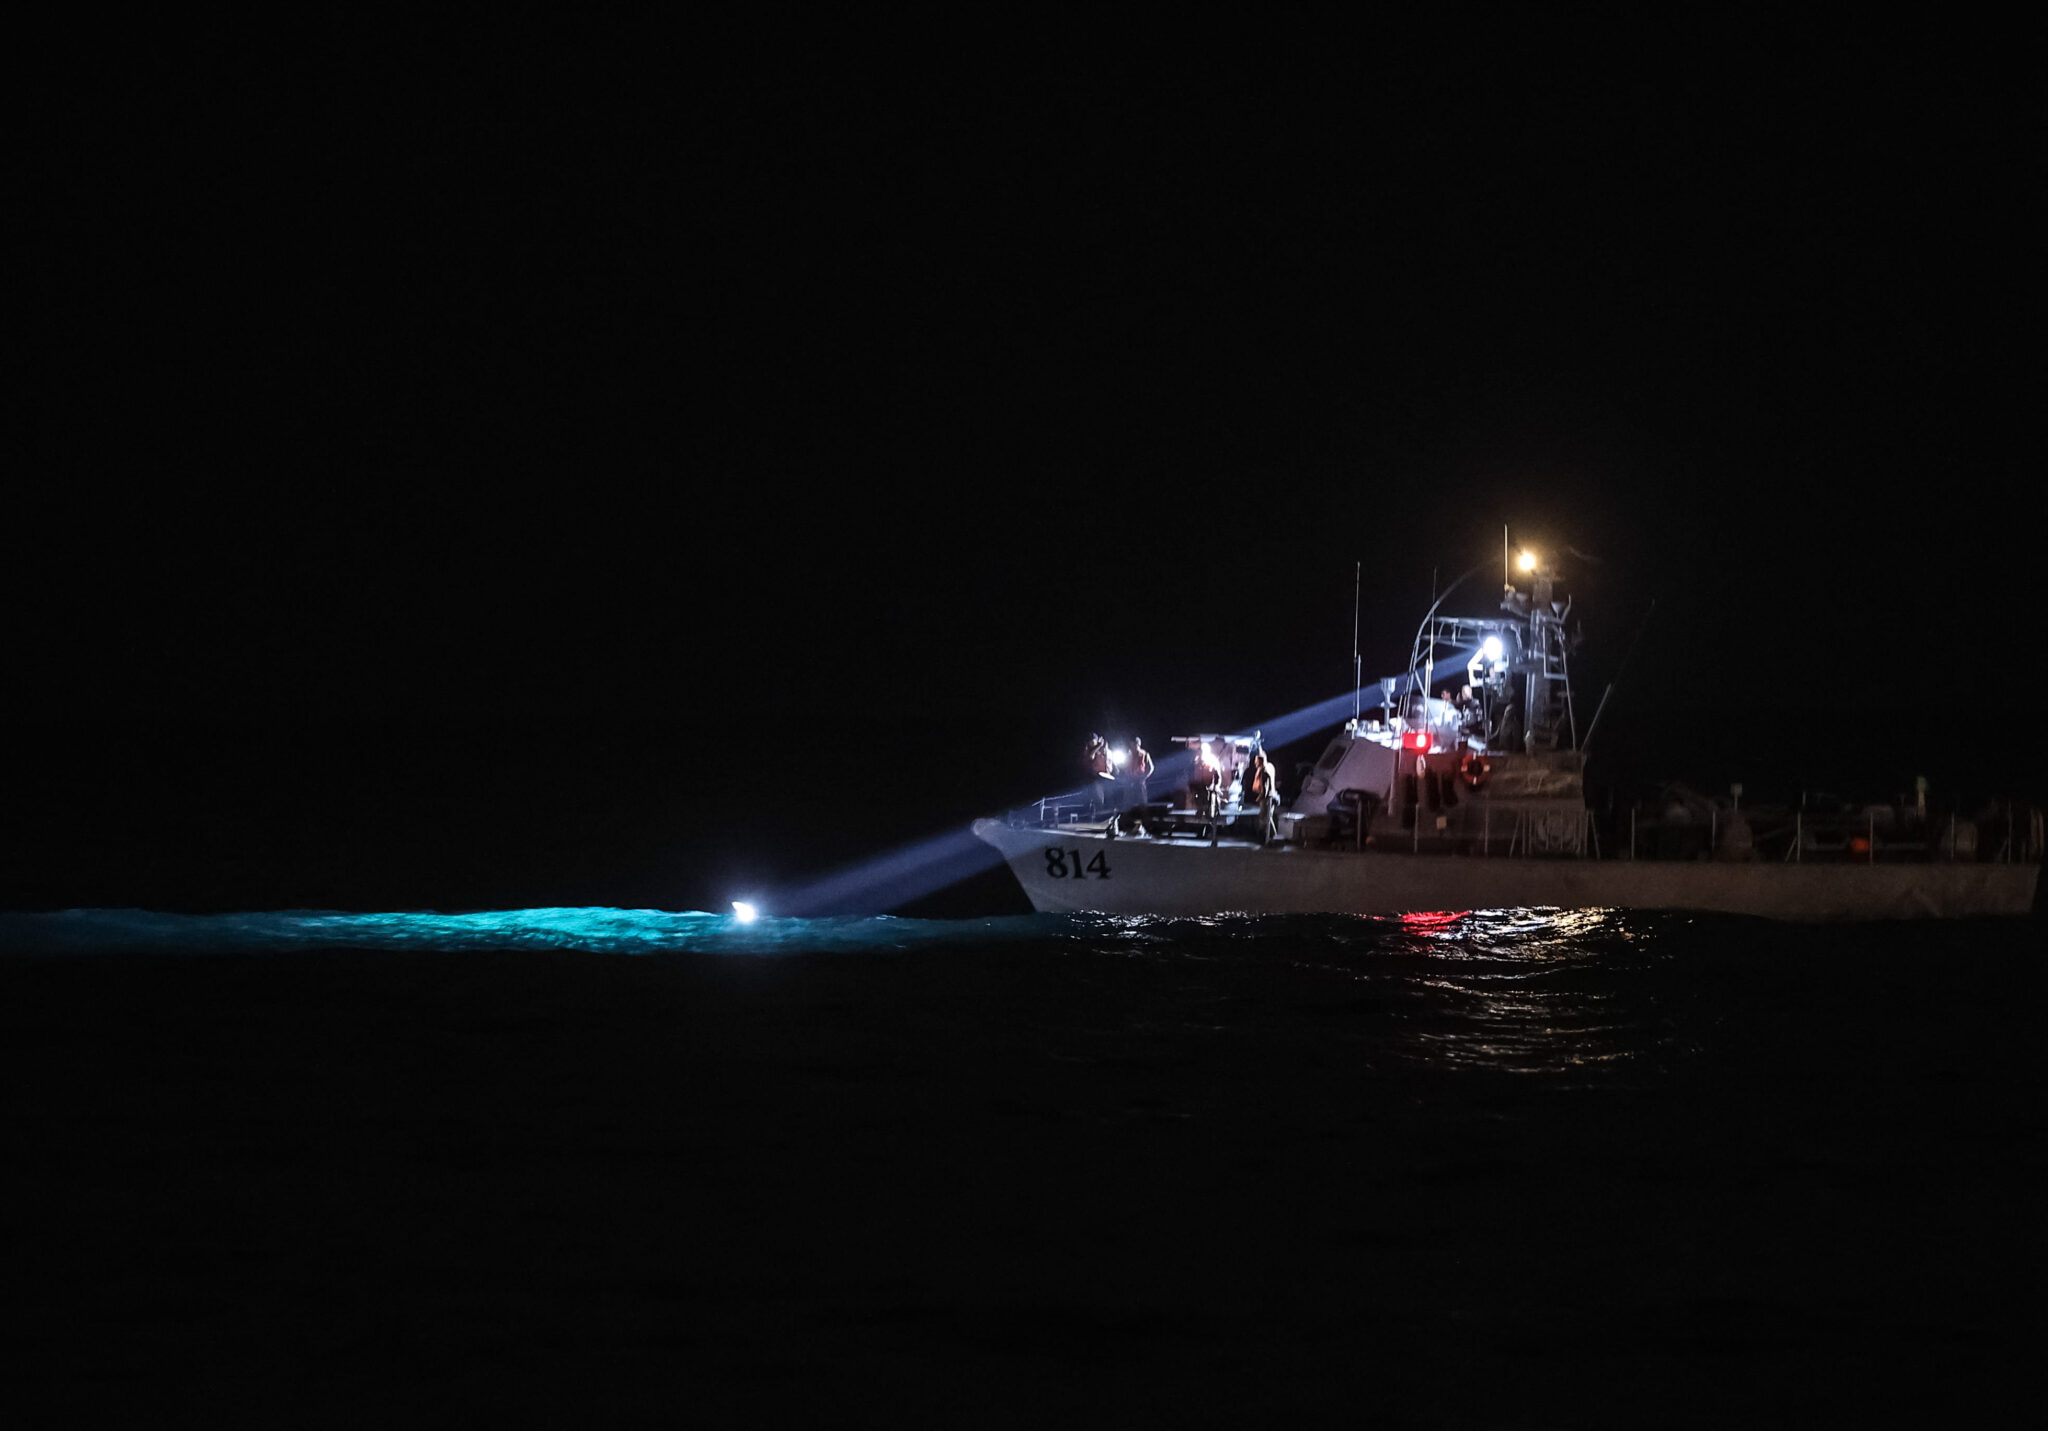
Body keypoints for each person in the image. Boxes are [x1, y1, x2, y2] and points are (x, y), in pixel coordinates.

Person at [1247, 750, 1282, 844]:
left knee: (1265, 818)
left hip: (1267, 798)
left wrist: (1260, 797)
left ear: (1261, 761)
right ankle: (1272, 837)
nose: (1254, 763)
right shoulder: (1270, 766)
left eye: (1256, 761)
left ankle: (1271, 837)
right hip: (1273, 795)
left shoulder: (1264, 770)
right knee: (1268, 817)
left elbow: (1265, 788)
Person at [1085, 733, 1115, 818]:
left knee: (1110, 796)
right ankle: (1099, 816)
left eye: (1093, 740)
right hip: (1096, 777)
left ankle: (1110, 817)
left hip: (1107, 776)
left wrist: (1112, 768)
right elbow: (1091, 757)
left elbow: (1110, 761)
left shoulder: (1106, 750)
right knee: (1098, 797)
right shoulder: (1091, 750)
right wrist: (1098, 746)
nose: (1091, 742)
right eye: (1090, 741)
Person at [1124, 736, 1154, 816]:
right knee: (1128, 802)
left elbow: (1151, 767)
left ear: (1138, 744)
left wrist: (1144, 777)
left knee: (1142, 802)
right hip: (1130, 781)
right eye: (1131, 745)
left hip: (1140, 781)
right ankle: (1129, 821)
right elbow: (1124, 766)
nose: (1132, 747)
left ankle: (1144, 820)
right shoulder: (1128, 754)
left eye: (1134, 745)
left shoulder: (1144, 754)